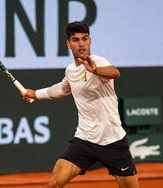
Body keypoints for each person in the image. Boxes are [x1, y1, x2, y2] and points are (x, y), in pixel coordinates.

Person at [22, 21, 139, 188]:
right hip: (85, 140)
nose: (81, 43)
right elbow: (62, 89)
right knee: (55, 182)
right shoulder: (70, 70)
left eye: (85, 39)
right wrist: (35, 94)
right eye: (75, 40)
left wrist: (95, 70)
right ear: (68, 44)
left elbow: (115, 72)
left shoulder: (98, 62)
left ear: (90, 40)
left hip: (112, 140)